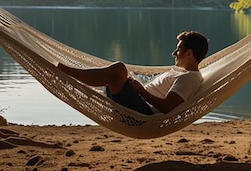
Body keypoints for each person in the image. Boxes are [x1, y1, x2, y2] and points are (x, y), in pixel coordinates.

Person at [57, 31, 209, 115]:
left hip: (143, 114)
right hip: (138, 103)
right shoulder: (182, 72)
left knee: (118, 69)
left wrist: (141, 91)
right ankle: (68, 73)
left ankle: (66, 72)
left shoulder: (189, 78)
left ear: (189, 53)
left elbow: (168, 107)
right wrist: (136, 86)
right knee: (117, 72)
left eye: (179, 49)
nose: (174, 53)